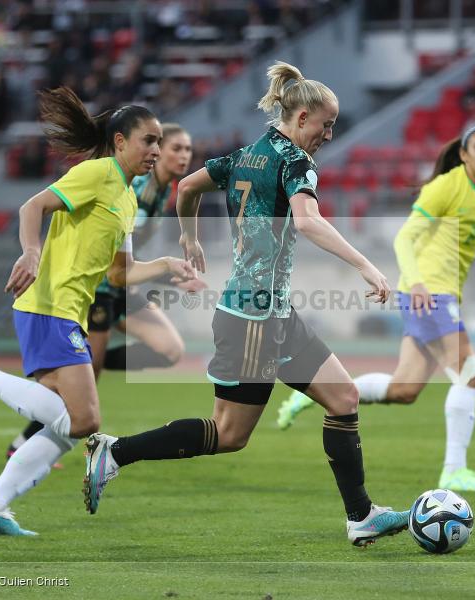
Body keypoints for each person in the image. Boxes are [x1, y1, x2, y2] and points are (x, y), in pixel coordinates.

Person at [82, 61, 410, 547]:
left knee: (343, 398)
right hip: (253, 316)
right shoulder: (295, 161)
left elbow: (188, 186)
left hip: (271, 310)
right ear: (300, 119)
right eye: (326, 125)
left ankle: (360, 515)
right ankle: (115, 453)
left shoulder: (249, 153)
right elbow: (307, 221)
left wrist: (190, 238)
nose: (328, 134)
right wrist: (365, 265)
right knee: (230, 434)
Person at [0, 87, 194, 536]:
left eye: (157, 142)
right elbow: (32, 206)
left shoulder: (128, 199)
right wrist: (31, 253)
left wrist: (167, 266)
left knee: (67, 421)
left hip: (67, 311)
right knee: (86, 420)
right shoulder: (98, 173)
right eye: (148, 141)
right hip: (48, 305)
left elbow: (119, 272)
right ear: (119, 143)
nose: (155, 149)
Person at [277, 122, 475, 492]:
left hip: (440, 295)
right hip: (427, 293)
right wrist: (419, 281)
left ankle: (315, 392)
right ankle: (454, 470)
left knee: (404, 390)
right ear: (463, 153)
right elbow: (406, 237)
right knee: (469, 374)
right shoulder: (447, 186)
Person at [4, 123, 204, 459]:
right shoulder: (131, 185)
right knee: (79, 398)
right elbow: (109, 254)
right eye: (174, 148)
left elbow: (125, 262)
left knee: (169, 349)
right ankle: (26, 443)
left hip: (120, 285)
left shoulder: (159, 193)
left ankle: (81, 371)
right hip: (96, 290)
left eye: (187, 149)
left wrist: (172, 273)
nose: (182, 156)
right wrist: (32, 251)